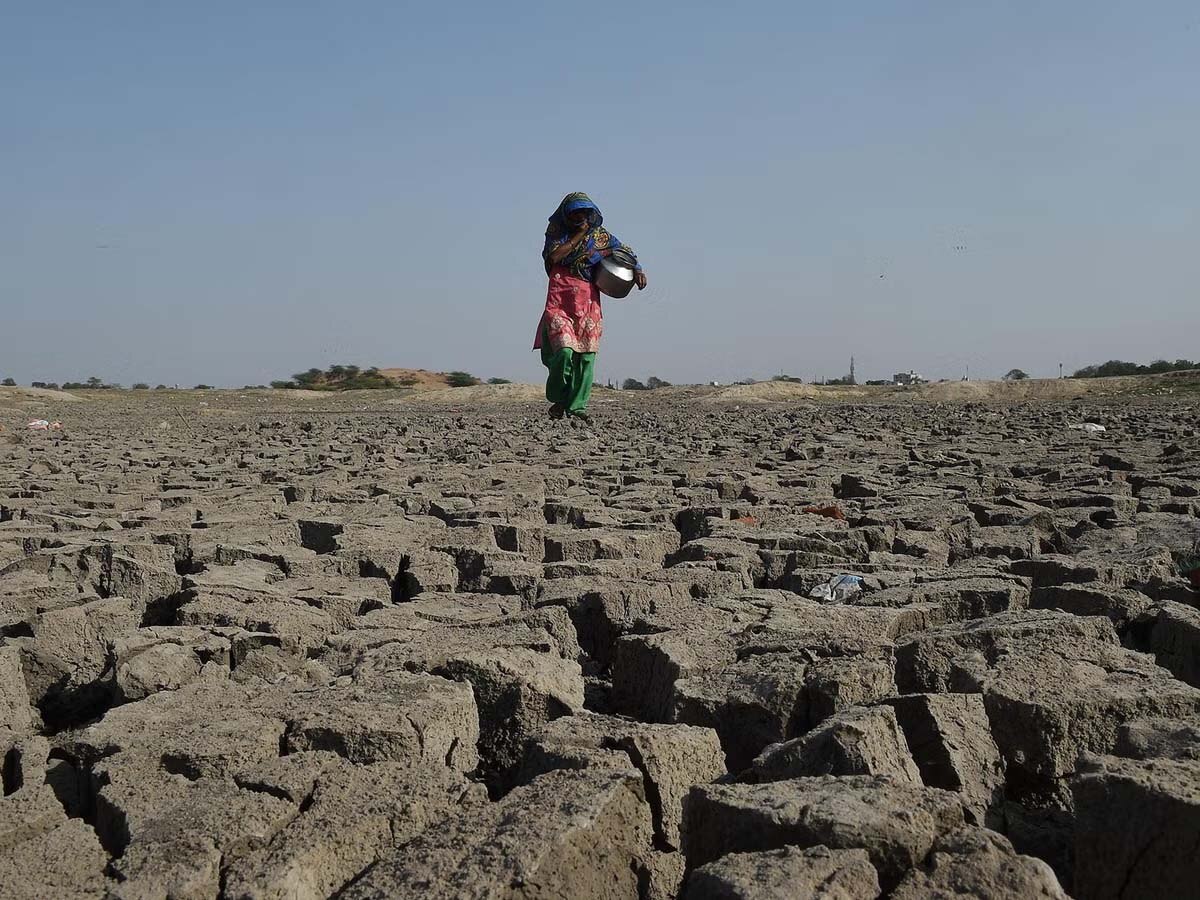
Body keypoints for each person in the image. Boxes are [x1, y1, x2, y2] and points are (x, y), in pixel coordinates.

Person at [534, 192, 647, 422]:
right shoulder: (557, 234)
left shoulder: (601, 237)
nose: (580, 216)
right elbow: (555, 257)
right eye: (575, 213)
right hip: (560, 298)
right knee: (564, 351)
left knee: (586, 355)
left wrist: (638, 269)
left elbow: (625, 251)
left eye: (584, 213)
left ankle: (576, 407)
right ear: (566, 214)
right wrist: (579, 234)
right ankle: (559, 396)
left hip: (587, 299)